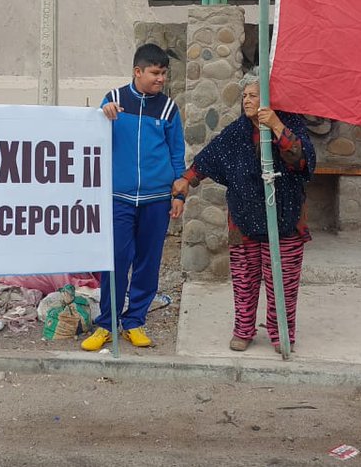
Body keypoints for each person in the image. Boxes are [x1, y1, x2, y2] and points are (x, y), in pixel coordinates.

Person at [173, 73, 315, 352]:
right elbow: (208, 157)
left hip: (285, 218)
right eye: (245, 96)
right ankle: (244, 329)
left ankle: (280, 333)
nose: (248, 101)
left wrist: (275, 125)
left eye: (254, 96)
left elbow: (301, 162)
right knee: (244, 279)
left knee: (283, 283)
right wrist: (186, 181)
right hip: (243, 219)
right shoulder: (236, 132)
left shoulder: (292, 124)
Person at [81, 43, 186, 351]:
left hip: (156, 198)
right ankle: (107, 324)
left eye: (164, 74)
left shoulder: (168, 109)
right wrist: (103, 116)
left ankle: (135, 322)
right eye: (155, 73)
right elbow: (92, 137)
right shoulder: (113, 102)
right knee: (114, 260)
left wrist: (179, 194)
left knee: (148, 262)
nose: (161, 80)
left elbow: (177, 153)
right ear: (137, 72)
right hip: (118, 197)